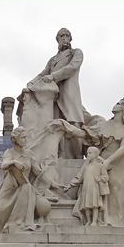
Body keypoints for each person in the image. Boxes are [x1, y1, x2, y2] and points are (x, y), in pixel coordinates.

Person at [57, 97, 124, 227]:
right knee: (100, 193)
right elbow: (87, 135)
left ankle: (119, 225)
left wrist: (108, 161)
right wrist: (68, 128)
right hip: (101, 163)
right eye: (117, 102)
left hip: (118, 164)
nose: (116, 104)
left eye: (119, 103)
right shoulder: (105, 125)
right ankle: (102, 221)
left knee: (118, 194)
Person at [28, 28, 85, 159]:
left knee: (74, 123)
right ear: (57, 40)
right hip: (54, 96)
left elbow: (72, 68)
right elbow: (43, 74)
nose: (64, 38)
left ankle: (78, 158)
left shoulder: (76, 53)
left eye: (67, 35)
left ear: (71, 38)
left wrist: (53, 76)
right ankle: (60, 156)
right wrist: (31, 84)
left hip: (69, 92)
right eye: (61, 36)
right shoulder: (52, 60)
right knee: (56, 126)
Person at [66, 146, 110, 226]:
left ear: (96, 154)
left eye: (90, 153)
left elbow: (106, 177)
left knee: (95, 205)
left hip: (95, 188)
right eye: (87, 153)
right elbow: (79, 177)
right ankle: (88, 221)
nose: (88, 155)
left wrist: (99, 178)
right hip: (86, 189)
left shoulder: (100, 166)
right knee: (86, 205)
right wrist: (70, 185)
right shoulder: (85, 166)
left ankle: (94, 221)